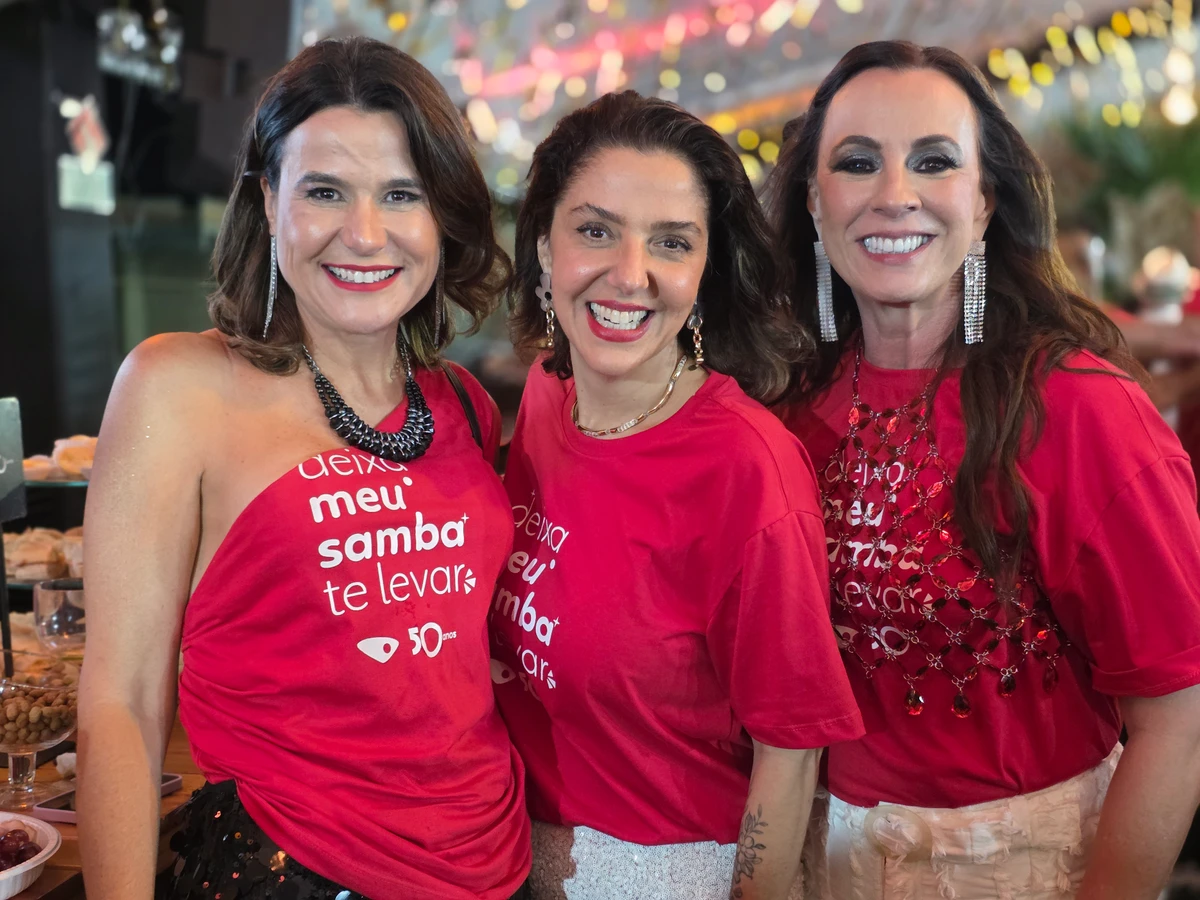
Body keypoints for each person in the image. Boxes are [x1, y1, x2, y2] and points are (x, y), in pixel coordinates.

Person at [77, 37, 530, 900]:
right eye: (324, 191)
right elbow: (122, 706)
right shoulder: (179, 387)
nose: (364, 233)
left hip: (495, 864)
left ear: (443, 215)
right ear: (268, 200)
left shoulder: (466, 404)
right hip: (289, 873)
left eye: (402, 194)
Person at [764, 40, 1200, 900]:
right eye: (857, 163)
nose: (895, 194)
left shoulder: (1079, 410)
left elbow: (1179, 719)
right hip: (819, 866)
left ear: (987, 199)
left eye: (934, 161)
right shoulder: (782, 407)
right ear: (816, 204)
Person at [492, 90, 863, 900]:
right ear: (544, 248)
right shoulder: (549, 401)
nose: (631, 275)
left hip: (666, 878)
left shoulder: (748, 469)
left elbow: (791, 751)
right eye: (595, 231)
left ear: (704, 269)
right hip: (515, 862)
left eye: (671, 242)